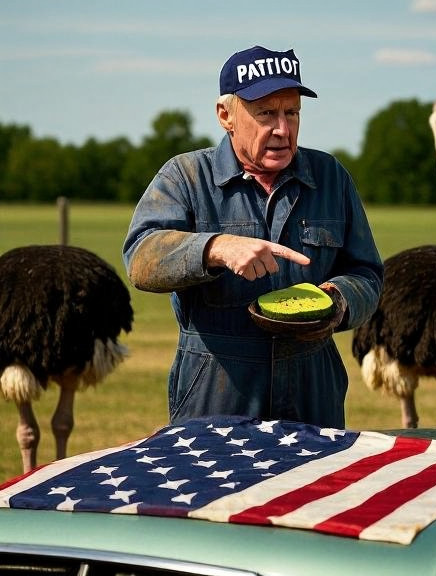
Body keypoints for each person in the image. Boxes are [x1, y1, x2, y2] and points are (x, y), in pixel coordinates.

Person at [122, 45, 383, 429]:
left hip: (313, 385)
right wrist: (215, 247)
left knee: (314, 488)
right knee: (217, 489)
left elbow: (367, 274)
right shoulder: (187, 176)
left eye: (291, 113)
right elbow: (141, 257)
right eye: (266, 113)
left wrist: (339, 301)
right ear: (225, 116)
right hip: (217, 385)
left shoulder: (331, 177)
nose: (282, 129)